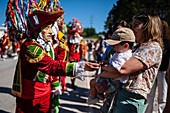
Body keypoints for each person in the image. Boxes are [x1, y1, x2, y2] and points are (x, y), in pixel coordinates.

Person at [8, 4, 99, 113]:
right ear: (36, 30)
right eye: (47, 27)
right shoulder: (30, 47)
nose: (51, 31)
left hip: (46, 91)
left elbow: (55, 64)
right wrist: (80, 66)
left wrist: (55, 85)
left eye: (51, 27)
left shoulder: (47, 45)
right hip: (30, 95)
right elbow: (51, 66)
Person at [96, 12, 163, 113]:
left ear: (148, 27)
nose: (132, 30)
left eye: (136, 25)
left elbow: (123, 69)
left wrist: (104, 66)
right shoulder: (137, 47)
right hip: (118, 95)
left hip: (130, 99)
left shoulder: (153, 47)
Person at [86, 28, 135, 105]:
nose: (112, 47)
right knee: (96, 81)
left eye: (115, 45)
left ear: (125, 45)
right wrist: (108, 62)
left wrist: (104, 67)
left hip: (113, 82)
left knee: (92, 82)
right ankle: (99, 95)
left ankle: (93, 98)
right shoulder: (125, 53)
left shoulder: (121, 56)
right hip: (115, 82)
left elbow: (115, 69)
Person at [145, 20, 170, 113]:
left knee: (162, 97)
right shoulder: (154, 41)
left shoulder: (168, 42)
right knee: (150, 95)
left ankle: (161, 111)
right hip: (153, 70)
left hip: (163, 70)